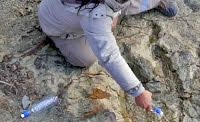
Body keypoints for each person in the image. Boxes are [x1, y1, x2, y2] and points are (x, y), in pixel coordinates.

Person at [38, 0, 178, 112]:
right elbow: (109, 56)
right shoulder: (94, 14)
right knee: (85, 59)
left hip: (100, 10)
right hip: (61, 25)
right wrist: (139, 92)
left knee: (111, 19)